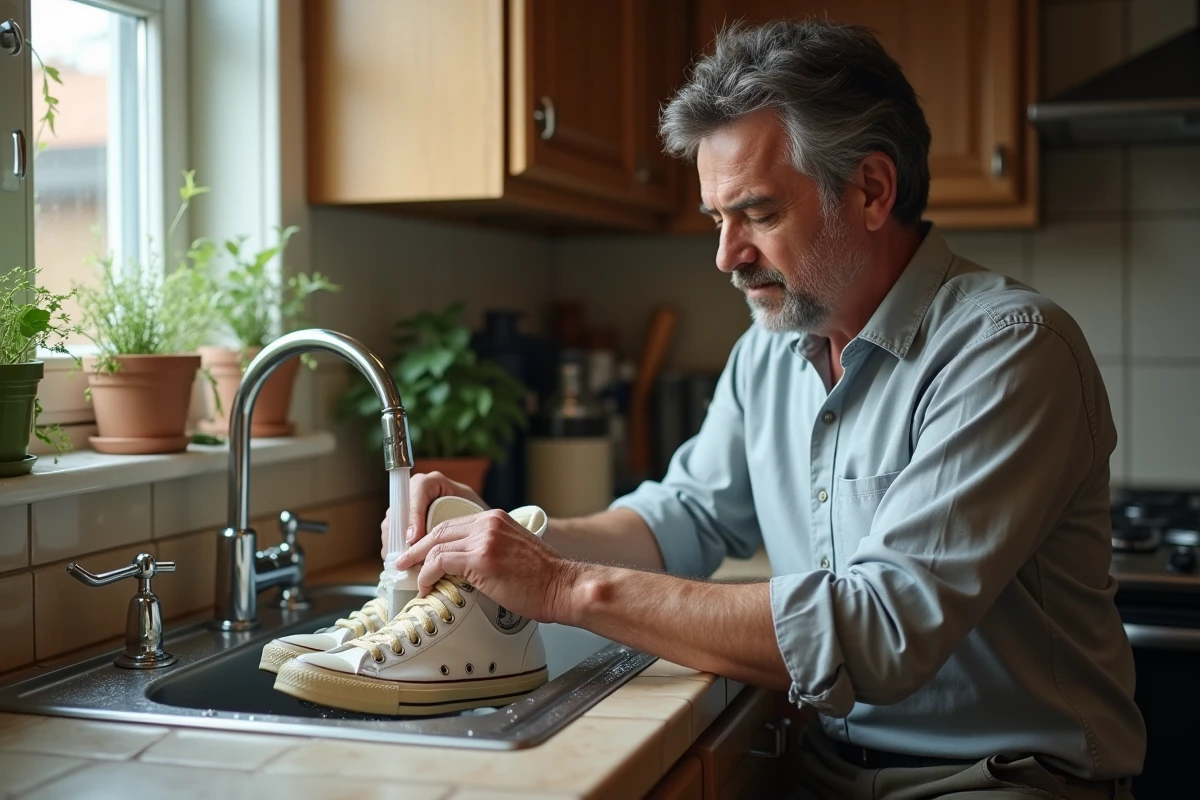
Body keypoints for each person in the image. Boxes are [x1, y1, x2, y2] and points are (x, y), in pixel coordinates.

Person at [389, 19, 1145, 800]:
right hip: (822, 771)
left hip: (999, 784)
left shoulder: (1008, 349)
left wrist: (562, 586)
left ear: (872, 190)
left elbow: (879, 632)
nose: (726, 255)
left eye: (757, 213)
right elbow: (683, 518)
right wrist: (501, 537)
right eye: (718, 219)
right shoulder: (772, 349)